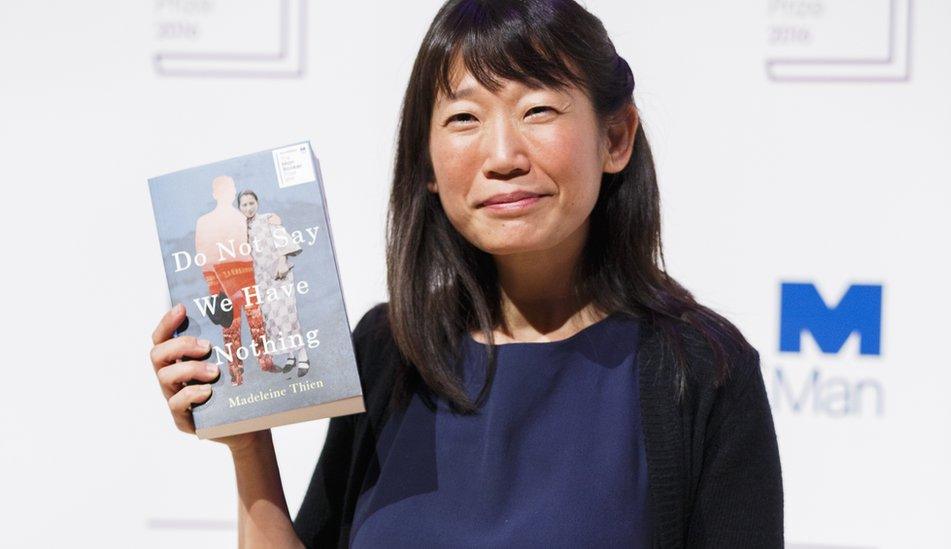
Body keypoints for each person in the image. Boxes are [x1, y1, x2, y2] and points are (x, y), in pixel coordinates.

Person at [148, 0, 784, 547]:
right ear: (426, 162)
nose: (502, 156)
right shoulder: (388, 351)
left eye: (537, 110)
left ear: (615, 137)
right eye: (463, 118)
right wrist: (247, 439)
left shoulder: (701, 370)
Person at [193, 175, 276, 385]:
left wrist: (273, 219)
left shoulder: (242, 217)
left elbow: (258, 230)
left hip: (247, 274)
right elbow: (203, 254)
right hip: (221, 278)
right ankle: (236, 372)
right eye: (224, 190)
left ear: (233, 192)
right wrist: (213, 285)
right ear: (215, 194)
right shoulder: (204, 222)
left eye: (230, 189)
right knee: (231, 328)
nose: (228, 193)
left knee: (257, 323)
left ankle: (264, 362)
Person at [237, 189, 312, 377]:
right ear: (239, 207)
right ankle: (290, 357)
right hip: (260, 280)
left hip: (279, 275)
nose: (248, 208)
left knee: (287, 316)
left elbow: (283, 242)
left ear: (257, 203)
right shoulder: (239, 228)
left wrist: (281, 262)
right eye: (244, 205)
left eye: (251, 203)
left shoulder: (268, 219)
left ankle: (302, 355)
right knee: (272, 320)